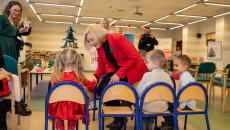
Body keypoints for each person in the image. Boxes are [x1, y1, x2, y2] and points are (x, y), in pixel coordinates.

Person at [84, 25, 147, 130]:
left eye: (91, 40)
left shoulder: (117, 38)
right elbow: (101, 66)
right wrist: (95, 76)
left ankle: (120, 119)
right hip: (118, 70)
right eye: (89, 41)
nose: (91, 43)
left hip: (133, 68)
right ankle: (119, 118)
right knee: (100, 89)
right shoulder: (99, 47)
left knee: (107, 89)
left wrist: (119, 74)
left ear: (98, 35)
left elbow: (134, 58)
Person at [48, 48, 96, 130]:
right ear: (76, 61)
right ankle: (71, 127)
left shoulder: (56, 76)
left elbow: (53, 93)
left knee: (59, 105)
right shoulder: (80, 76)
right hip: (75, 107)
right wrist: (94, 80)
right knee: (73, 106)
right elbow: (91, 86)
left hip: (58, 107)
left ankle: (60, 127)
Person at [136, 49, 173, 130]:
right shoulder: (167, 76)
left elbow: (138, 93)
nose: (146, 64)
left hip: (147, 107)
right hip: (163, 107)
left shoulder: (147, 75)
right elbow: (171, 93)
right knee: (153, 102)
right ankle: (149, 125)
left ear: (156, 63)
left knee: (139, 104)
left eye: (148, 62)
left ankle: (142, 125)